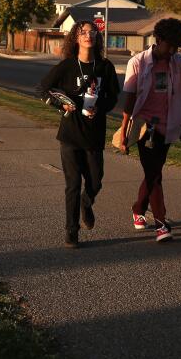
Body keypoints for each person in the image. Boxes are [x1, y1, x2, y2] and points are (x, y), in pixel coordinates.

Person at [37, 20, 121, 249]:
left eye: (92, 31)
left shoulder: (105, 67)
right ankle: (71, 232)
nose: (88, 35)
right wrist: (60, 105)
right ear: (76, 38)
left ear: (97, 36)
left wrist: (99, 108)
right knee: (72, 184)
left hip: (94, 135)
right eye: (83, 32)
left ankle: (87, 203)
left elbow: (113, 96)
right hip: (70, 135)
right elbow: (43, 88)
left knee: (95, 181)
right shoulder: (67, 66)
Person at [120, 18, 181, 242]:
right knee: (154, 173)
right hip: (145, 125)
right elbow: (129, 100)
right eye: (170, 46)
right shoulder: (137, 62)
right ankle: (161, 224)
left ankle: (138, 208)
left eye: (176, 47)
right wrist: (123, 132)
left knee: (154, 171)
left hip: (168, 126)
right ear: (158, 40)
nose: (172, 51)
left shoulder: (178, 61)